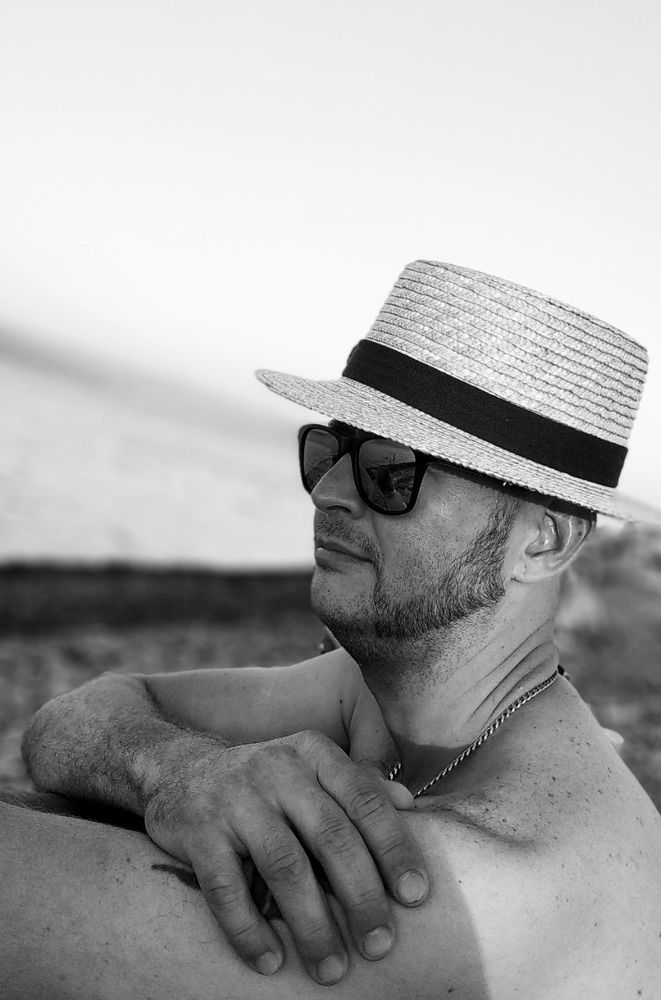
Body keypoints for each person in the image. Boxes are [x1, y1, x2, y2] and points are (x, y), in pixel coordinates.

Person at [8, 259, 661, 998]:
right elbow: (81, 712)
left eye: (391, 472)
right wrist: (175, 770)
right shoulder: (378, 695)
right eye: (331, 450)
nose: (327, 490)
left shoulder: (500, 877)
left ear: (543, 540)